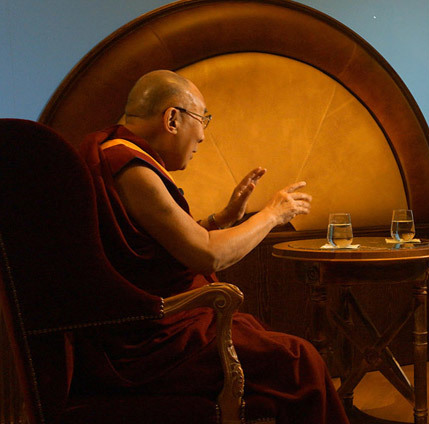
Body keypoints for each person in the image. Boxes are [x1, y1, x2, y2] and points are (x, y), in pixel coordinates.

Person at [76, 70, 350, 424]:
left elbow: (169, 244)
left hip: (162, 325)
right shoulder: (130, 167)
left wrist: (223, 218)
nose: (203, 135)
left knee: (281, 358)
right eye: (201, 118)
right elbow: (207, 254)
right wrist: (272, 214)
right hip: (151, 343)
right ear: (172, 118)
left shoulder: (120, 156)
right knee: (300, 359)